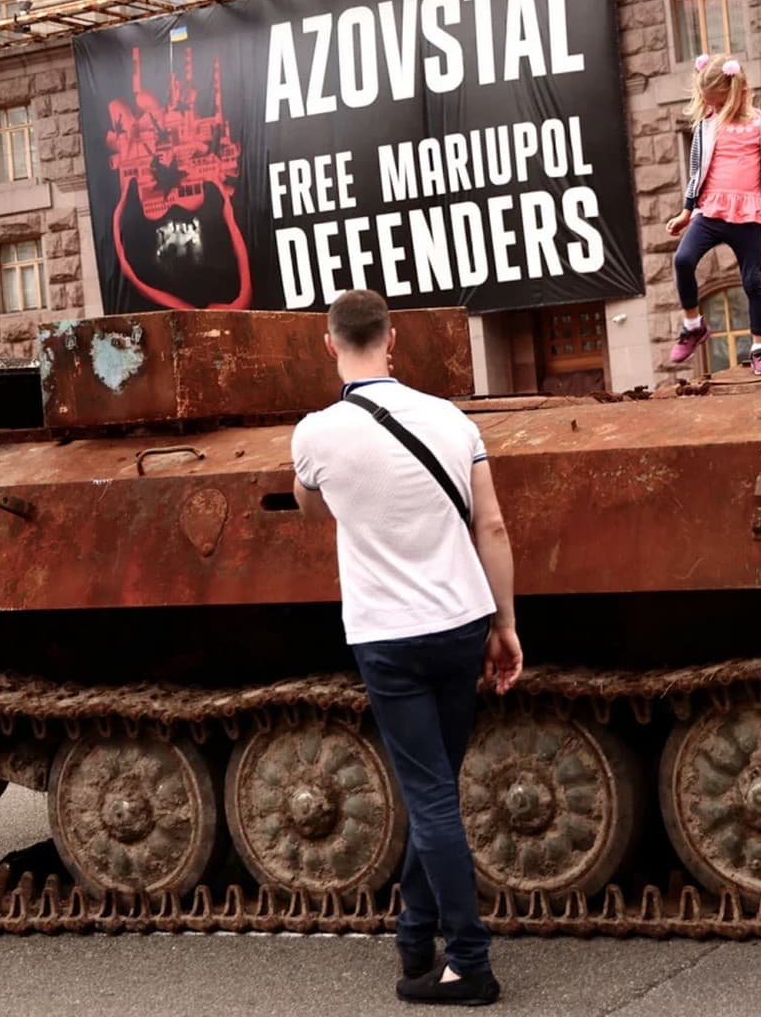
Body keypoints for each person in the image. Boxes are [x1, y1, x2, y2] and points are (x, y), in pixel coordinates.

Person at [290, 288, 522, 1007]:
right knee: (438, 794)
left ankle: (472, 964)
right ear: (394, 340)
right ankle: (415, 935)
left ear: (330, 345)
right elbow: (493, 528)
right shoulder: (452, 420)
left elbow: (310, 507)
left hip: (386, 637)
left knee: (430, 799)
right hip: (459, 623)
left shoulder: (315, 434)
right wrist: (504, 624)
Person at [665, 53, 761, 376]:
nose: (711, 108)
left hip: (748, 212)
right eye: (708, 102)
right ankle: (692, 326)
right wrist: (687, 211)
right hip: (711, 210)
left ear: (737, 91)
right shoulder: (707, 126)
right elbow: (697, 171)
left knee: (753, 281)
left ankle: (759, 348)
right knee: (683, 260)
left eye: (717, 101)